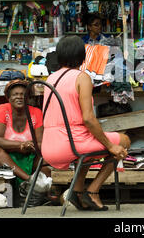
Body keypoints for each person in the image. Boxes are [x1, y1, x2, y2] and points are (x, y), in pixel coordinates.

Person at [41, 35, 130, 211]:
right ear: (83, 57)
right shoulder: (82, 77)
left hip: (48, 145)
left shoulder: (50, 79)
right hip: (70, 144)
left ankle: (78, 191)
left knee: (89, 146)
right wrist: (110, 146)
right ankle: (93, 191)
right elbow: (88, 119)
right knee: (123, 141)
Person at [0, 79, 48, 187]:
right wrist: (20, 145)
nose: (19, 97)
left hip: (30, 155)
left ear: (28, 97)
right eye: (15, 94)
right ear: (9, 98)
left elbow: (40, 143)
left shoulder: (36, 112)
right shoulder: (2, 110)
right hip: (6, 156)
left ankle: (44, 191)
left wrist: (29, 146)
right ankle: (29, 180)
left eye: (23, 94)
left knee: (46, 157)